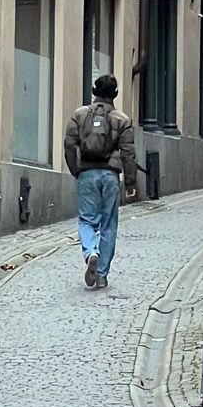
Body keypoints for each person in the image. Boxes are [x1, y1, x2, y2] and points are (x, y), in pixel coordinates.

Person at [64, 73, 138, 289]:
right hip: (110, 176)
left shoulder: (79, 115)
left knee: (86, 220)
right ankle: (102, 275)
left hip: (86, 173)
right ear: (115, 94)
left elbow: (69, 145)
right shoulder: (122, 120)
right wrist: (131, 183)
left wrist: (77, 170)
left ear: (95, 92)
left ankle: (90, 252)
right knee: (109, 225)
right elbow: (128, 153)